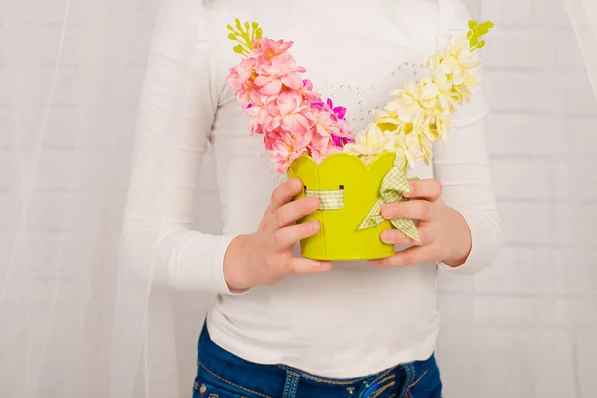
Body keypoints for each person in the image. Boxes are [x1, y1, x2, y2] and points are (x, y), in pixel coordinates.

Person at [121, 0, 501, 396]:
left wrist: (452, 235)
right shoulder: (207, 19)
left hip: (409, 380)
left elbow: (484, 228)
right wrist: (244, 259)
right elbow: (144, 240)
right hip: (254, 379)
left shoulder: (437, 16)